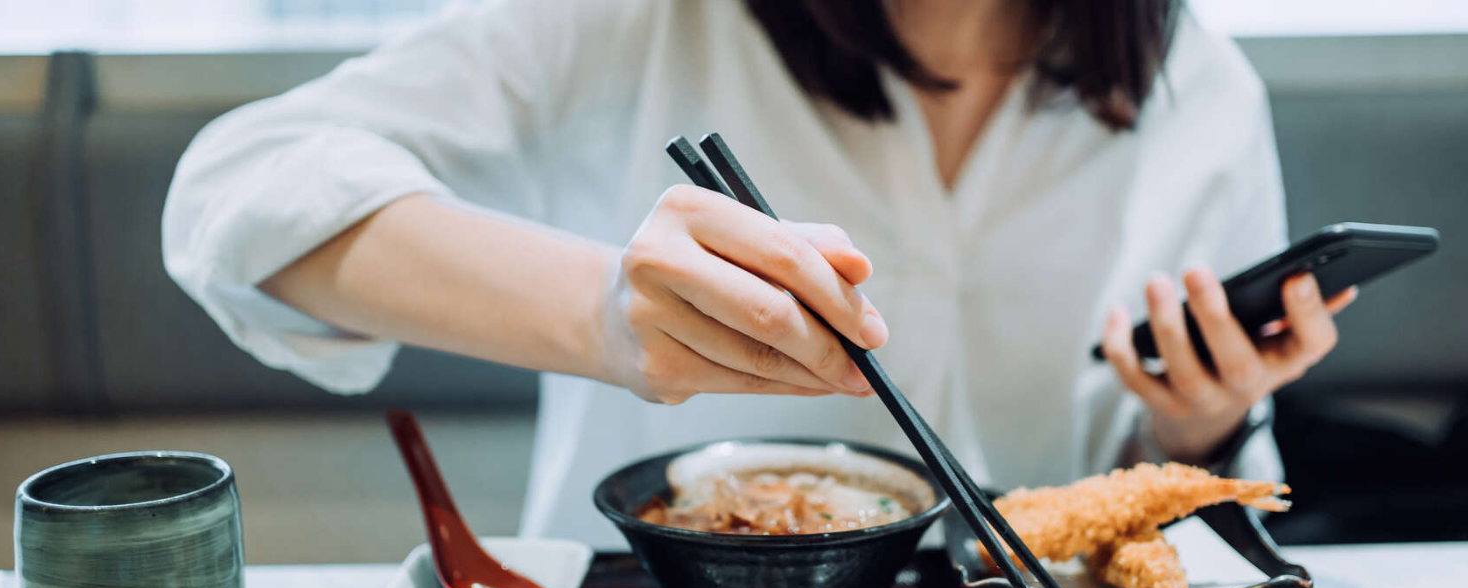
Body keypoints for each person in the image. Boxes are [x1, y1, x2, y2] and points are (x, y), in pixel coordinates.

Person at [163, 0, 1354, 547]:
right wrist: (600, 317)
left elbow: (1200, 519)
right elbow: (237, 188)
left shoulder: (1205, 90)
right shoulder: (640, 21)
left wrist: (1204, 429)